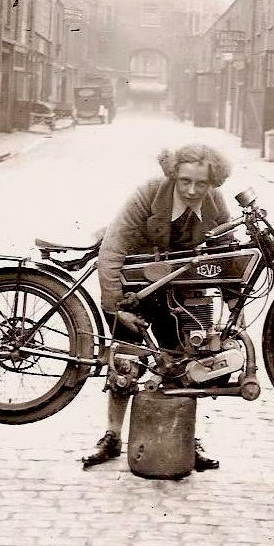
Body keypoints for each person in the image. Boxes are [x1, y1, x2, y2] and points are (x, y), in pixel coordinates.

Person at [82, 143, 233, 471]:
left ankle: (186, 438)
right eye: (185, 181)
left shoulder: (216, 203)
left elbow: (228, 260)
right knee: (125, 361)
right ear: (173, 175)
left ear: (212, 182)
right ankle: (112, 436)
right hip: (134, 286)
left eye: (201, 183)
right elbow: (112, 250)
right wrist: (115, 307)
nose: (192, 191)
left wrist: (236, 312)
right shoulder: (148, 194)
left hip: (179, 290)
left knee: (185, 361)